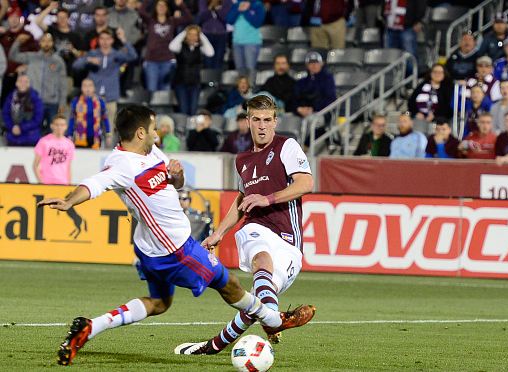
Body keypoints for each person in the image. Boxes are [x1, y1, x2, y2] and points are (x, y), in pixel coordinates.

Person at [36, 104, 315, 366]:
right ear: (140, 133)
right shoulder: (121, 165)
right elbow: (93, 184)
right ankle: (274, 320)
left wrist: (177, 176)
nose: (158, 133)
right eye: (153, 128)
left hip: (149, 248)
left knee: (159, 303)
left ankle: (91, 326)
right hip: (177, 250)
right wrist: (69, 201)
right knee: (228, 283)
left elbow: (174, 183)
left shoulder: (153, 152)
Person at [173, 94, 315, 355]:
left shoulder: (287, 146)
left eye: (267, 120)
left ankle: (213, 347)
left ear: (275, 121)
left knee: (258, 304)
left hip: (290, 243)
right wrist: (218, 233)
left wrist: (268, 198)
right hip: (257, 228)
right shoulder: (243, 160)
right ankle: (277, 321)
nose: (262, 126)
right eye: (256, 120)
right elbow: (241, 200)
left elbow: (306, 183)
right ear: (248, 121)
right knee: (259, 255)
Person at [73, 29, 138, 127]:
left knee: (109, 130)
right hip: (93, 98)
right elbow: (76, 66)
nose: (105, 42)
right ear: (98, 40)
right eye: (102, 39)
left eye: (108, 39)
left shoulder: (117, 54)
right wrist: (88, 60)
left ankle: (108, 143)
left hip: (110, 98)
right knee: (90, 128)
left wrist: (123, 39)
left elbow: (133, 56)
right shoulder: (93, 53)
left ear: (112, 40)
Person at [9, 32, 67, 134]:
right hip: (33, 101)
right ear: (39, 43)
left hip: (52, 102)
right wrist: (17, 42)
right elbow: (13, 56)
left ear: (53, 43)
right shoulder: (31, 57)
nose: (46, 43)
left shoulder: (59, 61)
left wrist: (62, 103)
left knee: (53, 133)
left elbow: (63, 83)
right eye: (43, 41)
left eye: (49, 41)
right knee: (33, 132)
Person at [139, 0, 193, 93]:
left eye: (164, 5)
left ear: (167, 8)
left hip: (167, 60)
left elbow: (188, 18)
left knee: (165, 91)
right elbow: (141, 11)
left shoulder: (172, 21)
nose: (161, 7)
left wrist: (181, 4)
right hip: (151, 61)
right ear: (155, 7)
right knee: (151, 91)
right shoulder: (150, 21)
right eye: (159, 5)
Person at [169, 25, 215, 116]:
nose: (192, 37)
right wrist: (183, 32)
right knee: (183, 109)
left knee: (193, 110)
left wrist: (201, 35)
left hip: (195, 83)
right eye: (190, 34)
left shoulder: (200, 48)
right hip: (181, 82)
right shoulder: (180, 47)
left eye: (195, 35)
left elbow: (211, 53)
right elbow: (171, 46)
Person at [226, 0, 265, 83]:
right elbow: (229, 20)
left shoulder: (257, 5)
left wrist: (246, 11)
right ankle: (241, 93)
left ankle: (251, 92)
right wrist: (238, 10)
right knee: (239, 70)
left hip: (252, 42)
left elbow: (257, 23)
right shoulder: (237, 4)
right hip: (237, 42)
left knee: (250, 69)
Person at [67, 78, 111, 149]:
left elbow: (105, 119)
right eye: (85, 86)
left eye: (90, 86)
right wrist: (70, 135)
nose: (87, 88)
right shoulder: (76, 101)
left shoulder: (100, 102)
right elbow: (72, 119)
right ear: (81, 88)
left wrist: (108, 134)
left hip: (96, 137)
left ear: (94, 88)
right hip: (80, 137)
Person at [2, 73, 44, 146]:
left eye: (26, 81)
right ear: (16, 83)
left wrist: (21, 127)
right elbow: (5, 114)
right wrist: (12, 127)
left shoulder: (36, 98)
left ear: (29, 84)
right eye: (20, 81)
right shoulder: (10, 97)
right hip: (13, 136)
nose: (23, 83)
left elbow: (38, 118)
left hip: (31, 137)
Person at [33, 114, 75, 185]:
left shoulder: (69, 144)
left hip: (63, 183)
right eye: (57, 125)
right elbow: (35, 165)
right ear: (52, 126)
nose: (59, 127)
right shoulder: (44, 141)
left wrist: (69, 183)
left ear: (66, 127)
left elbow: (68, 166)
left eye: (62, 125)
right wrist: (41, 182)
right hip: (47, 182)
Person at [293, 51, 336, 119]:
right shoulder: (302, 81)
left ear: (321, 64)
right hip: (302, 112)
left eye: (316, 62)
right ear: (307, 65)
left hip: (321, 112)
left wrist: (313, 108)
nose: (314, 65)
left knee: (310, 120)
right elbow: (295, 98)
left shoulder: (327, 79)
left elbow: (330, 99)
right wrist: (299, 109)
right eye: (311, 63)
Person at [197, 0, 232, 69]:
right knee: (207, 60)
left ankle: (216, 79)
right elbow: (202, 17)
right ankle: (207, 79)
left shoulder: (227, 1)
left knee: (218, 60)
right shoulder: (203, 1)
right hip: (207, 33)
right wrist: (211, 7)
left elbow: (227, 18)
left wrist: (217, 9)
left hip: (221, 34)